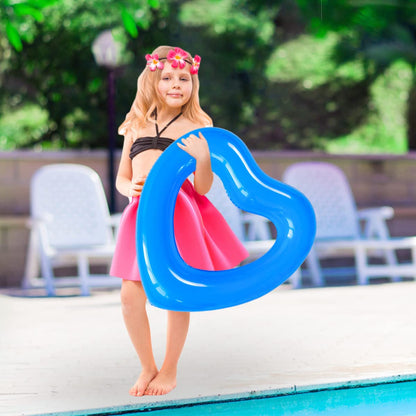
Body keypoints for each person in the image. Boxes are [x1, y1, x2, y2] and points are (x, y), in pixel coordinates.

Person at [110, 45, 248, 397]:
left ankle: (169, 369)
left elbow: (202, 188)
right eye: (168, 78)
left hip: (180, 212)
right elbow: (122, 178)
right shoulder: (135, 124)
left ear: (193, 83)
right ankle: (147, 366)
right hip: (141, 213)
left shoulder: (199, 125)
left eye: (183, 79)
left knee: (175, 292)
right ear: (153, 80)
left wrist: (203, 159)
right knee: (130, 294)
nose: (176, 85)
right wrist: (130, 188)